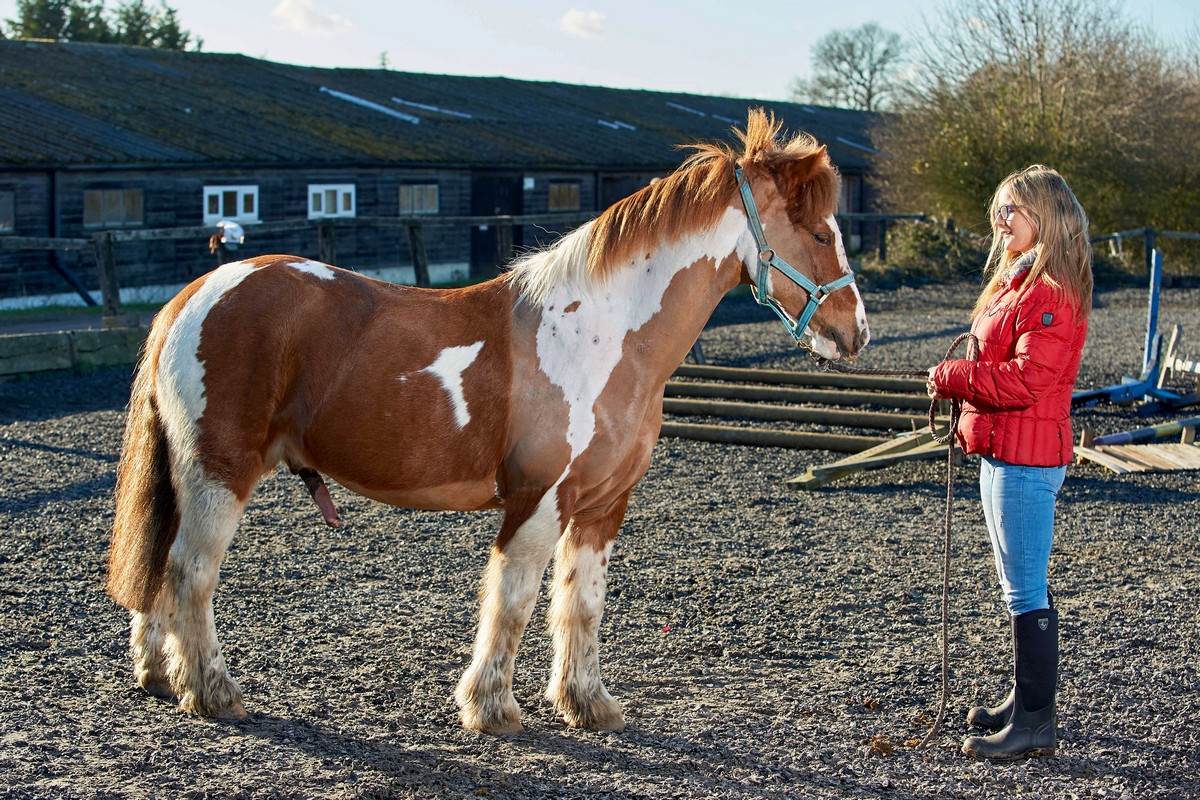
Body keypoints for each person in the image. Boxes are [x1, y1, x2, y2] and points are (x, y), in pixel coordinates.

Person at [926, 165, 1093, 761]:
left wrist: (954, 378)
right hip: (1004, 450)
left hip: (1024, 458)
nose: (999, 221)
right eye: (999, 209)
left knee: (1026, 592)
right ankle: (1024, 705)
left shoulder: (1048, 292)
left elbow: (1029, 380)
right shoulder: (1020, 281)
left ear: (1044, 216)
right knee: (1016, 587)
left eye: (1011, 210)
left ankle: (1035, 727)